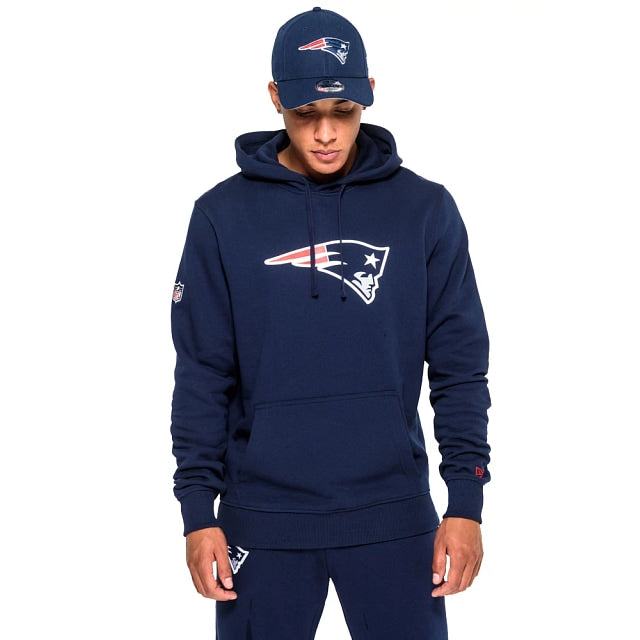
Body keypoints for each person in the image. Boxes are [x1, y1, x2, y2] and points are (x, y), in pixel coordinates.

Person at [170, 7, 491, 639]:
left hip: (394, 517)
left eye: (342, 111)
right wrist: (196, 511)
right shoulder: (220, 216)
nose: (324, 132)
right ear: (275, 99)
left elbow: (460, 368)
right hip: (262, 520)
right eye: (304, 113)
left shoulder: (424, 210)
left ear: (369, 93)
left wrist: (467, 502)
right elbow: (202, 373)